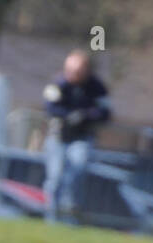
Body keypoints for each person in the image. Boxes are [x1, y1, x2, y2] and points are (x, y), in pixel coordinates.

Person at [41, 50, 110, 223]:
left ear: (86, 71)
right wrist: (68, 116)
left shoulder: (97, 87)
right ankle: (51, 217)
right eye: (70, 71)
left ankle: (70, 216)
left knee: (77, 171)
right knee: (55, 177)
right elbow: (49, 107)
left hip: (82, 137)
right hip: (57, 137)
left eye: (77, 72)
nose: (73, 75)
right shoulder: (58, 84)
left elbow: (105, 111)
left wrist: (85, 115)